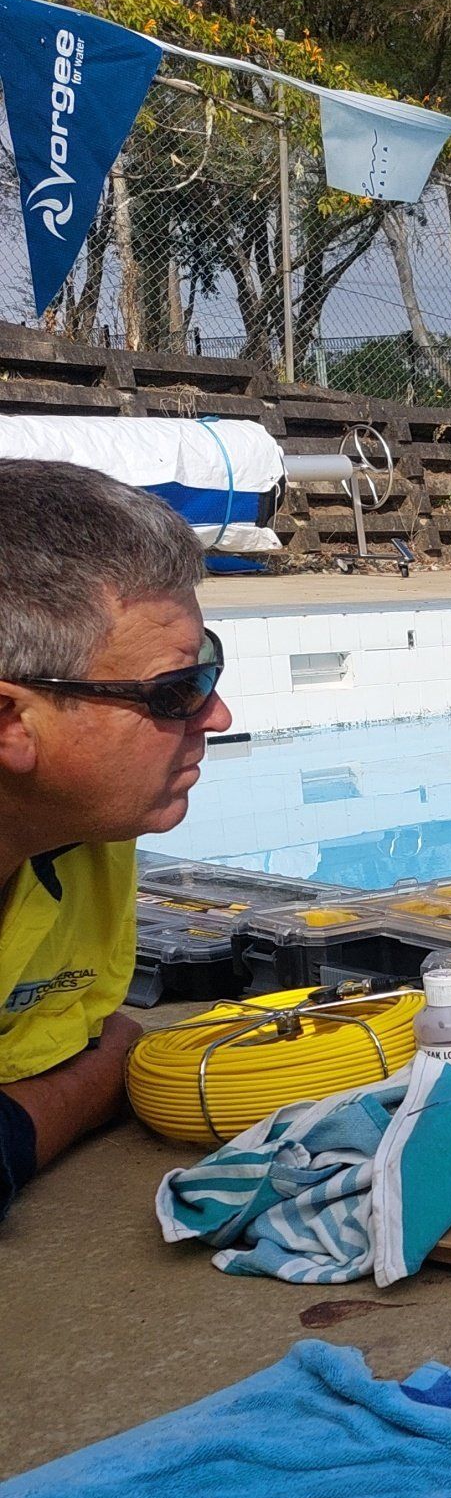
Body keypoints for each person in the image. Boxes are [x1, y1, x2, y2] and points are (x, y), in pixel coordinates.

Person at [0, 461, 230, 1218]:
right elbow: (109, 1048)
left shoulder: (87, 831)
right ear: (9, 722)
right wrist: (101, 1081)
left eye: (208, 668)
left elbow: (81, 1035)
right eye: (175, 691)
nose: (217, 715)